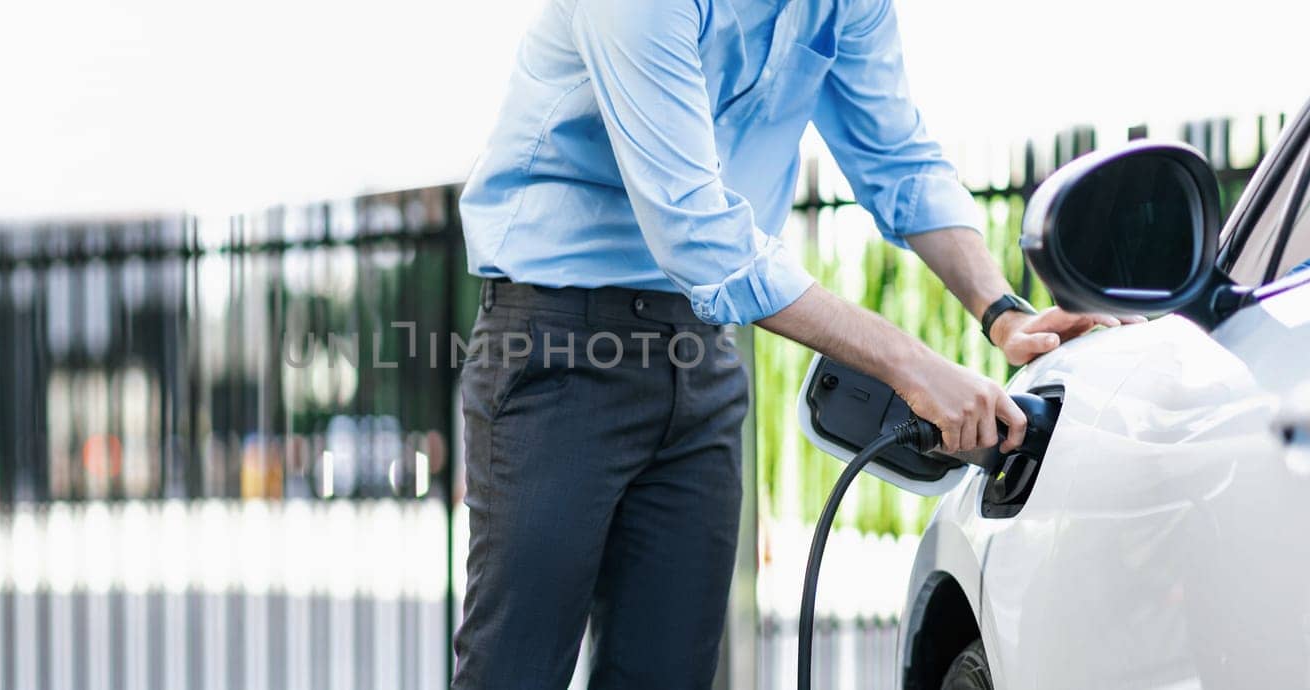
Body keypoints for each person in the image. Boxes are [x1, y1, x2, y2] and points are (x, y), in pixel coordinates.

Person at [451, 0, 1125, 687]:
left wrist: (1002, 311)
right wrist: (912, 366)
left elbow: (898, 160)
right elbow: (700, 236)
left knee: (668, 674)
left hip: (703, 347)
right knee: (515, 670)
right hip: (563, 344)